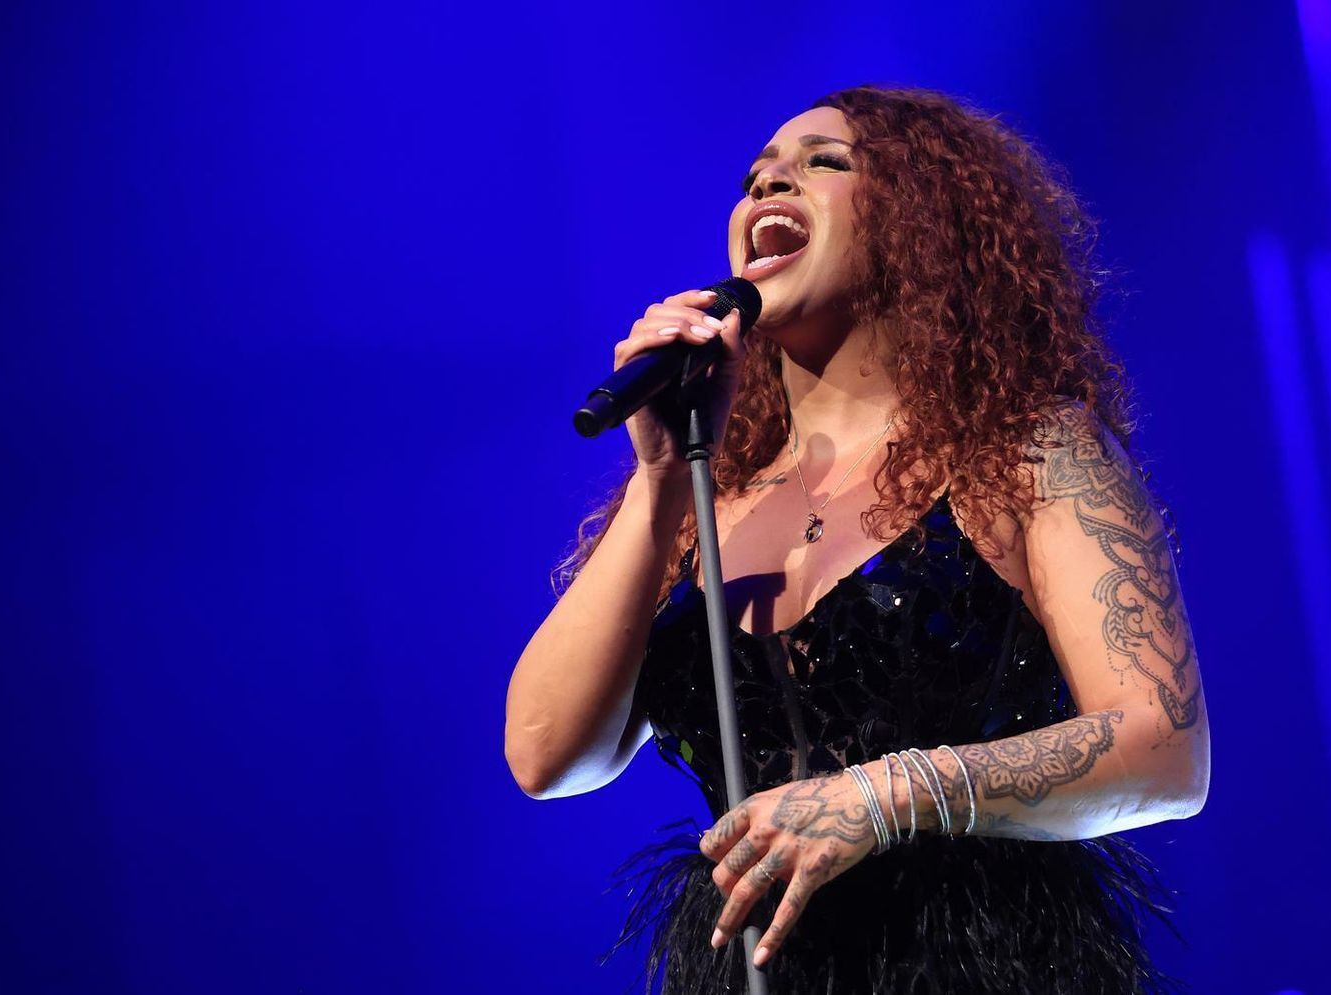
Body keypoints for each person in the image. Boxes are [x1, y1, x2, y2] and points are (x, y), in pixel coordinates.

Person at [504, 84, 1210, 994]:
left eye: (822, 163)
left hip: (976, 961)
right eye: (755, 177)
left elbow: (1163, 749)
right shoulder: (700, 499)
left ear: (920, 221)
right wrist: (663, 481)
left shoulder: (1025, 450)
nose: (768, 186)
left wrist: (880, 797)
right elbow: (545, 754)